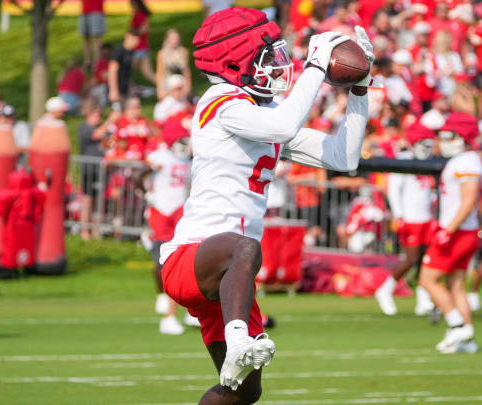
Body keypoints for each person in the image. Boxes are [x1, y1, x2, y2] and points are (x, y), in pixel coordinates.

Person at [158, 8, 371, 403]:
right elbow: (284, 127)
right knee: (245, 246)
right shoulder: (220, 101)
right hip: (192, 259)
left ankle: (236, 344)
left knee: (241, 394)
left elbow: (344, 158)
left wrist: (360, 89)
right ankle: (238, 338)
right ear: (236, 62)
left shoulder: (264, 113)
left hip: (228, 280)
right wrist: (316, 66)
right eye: (268, 56)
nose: (277, 64)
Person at [419, 112, 482, 354]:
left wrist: (448, 230)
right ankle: (468, 339)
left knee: (427, 279)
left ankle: (457, 326)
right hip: (462, 231)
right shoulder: (465, 160)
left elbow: (469, 200)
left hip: (457, 232)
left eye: (449, 135)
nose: (444, 140)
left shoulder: (467, 161)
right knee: (456, 285)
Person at [376, 122, 436, 316]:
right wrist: (398, 215)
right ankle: (386, 289)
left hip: (426, 217)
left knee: (424, 260)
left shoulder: (427, 160)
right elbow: (394, 190)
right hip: (410, 217)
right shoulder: (404, 159)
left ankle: (423, 297)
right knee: (411, 258)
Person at [143, 119, 192, 335]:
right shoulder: (159, 156)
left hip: (180, 209)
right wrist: (147, 193)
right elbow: (139, 174)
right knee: (164, 259)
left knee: (184, 257)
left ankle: (190, 308)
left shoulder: (187, 158)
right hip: (161, 209)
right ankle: (164, 298)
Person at [78, 99, 119, 240]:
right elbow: (97, 135)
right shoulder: (84, 127)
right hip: (88, 170)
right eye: (97, 115)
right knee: (87, 200)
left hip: (101, 170)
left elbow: (108, 140)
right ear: (89, 114)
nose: (99, 118)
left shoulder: (101, 126)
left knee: (98, 202)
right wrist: (110, 120)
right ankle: (84, 231)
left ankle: (96, 230)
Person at [156, 29, 192, 100]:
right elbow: (160, 73)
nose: (175, 40)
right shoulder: (162, 54)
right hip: (168, 82)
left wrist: (188, 86)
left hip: (180, 81)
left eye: (176, 38)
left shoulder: (183, 52)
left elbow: (186, 71)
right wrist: (160, 89)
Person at [108, 28, 141, 105]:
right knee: (117, 113)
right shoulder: (120, 51)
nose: (136, 42)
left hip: (125, 88)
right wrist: (113, 90)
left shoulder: (131, 52)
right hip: (117, 88)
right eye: (135, 39)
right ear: (128, 37)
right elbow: (112, 70)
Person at [129, 0, 156, 85]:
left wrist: (133, 32)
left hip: (139, 48)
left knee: (126, 70)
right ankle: (162, 87)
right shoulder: (140, 14)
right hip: (142, 48)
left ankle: (128, 89)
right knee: (148, 73)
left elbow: (145, 28)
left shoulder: (139, 14)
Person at [79, 0, 106, 71]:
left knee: (96, 38)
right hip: (85, 10)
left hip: (97, 9)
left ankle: (97, 62)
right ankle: (87, 62)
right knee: (85, 38)